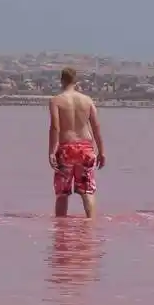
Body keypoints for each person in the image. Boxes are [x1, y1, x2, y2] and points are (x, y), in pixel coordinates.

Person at [49, 67, 105, 217]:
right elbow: (96, 127)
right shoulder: (87, 101)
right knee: (88, 191)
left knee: (62, 193)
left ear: (62, 80)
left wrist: (51, 152)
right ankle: (90, 225)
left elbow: (55, 127)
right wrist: (102, 151)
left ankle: (61, 231)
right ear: (76, 81)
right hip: (86, 149)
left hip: (66, 149)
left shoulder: (56, 101)